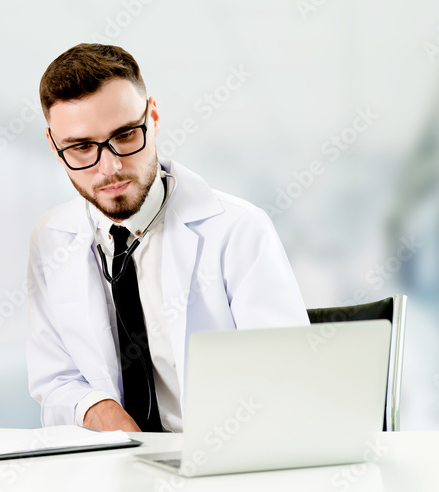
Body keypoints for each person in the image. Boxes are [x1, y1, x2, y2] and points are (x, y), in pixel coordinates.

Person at [27, 44, 309, 432]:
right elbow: (56, 379)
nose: (110, 167)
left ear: (153, 117)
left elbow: (290, 377)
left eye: (125, 135)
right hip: (114, 464)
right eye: (81, 148)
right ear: (55, 148)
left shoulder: (239, 230)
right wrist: (101, 413)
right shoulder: (51, 239)